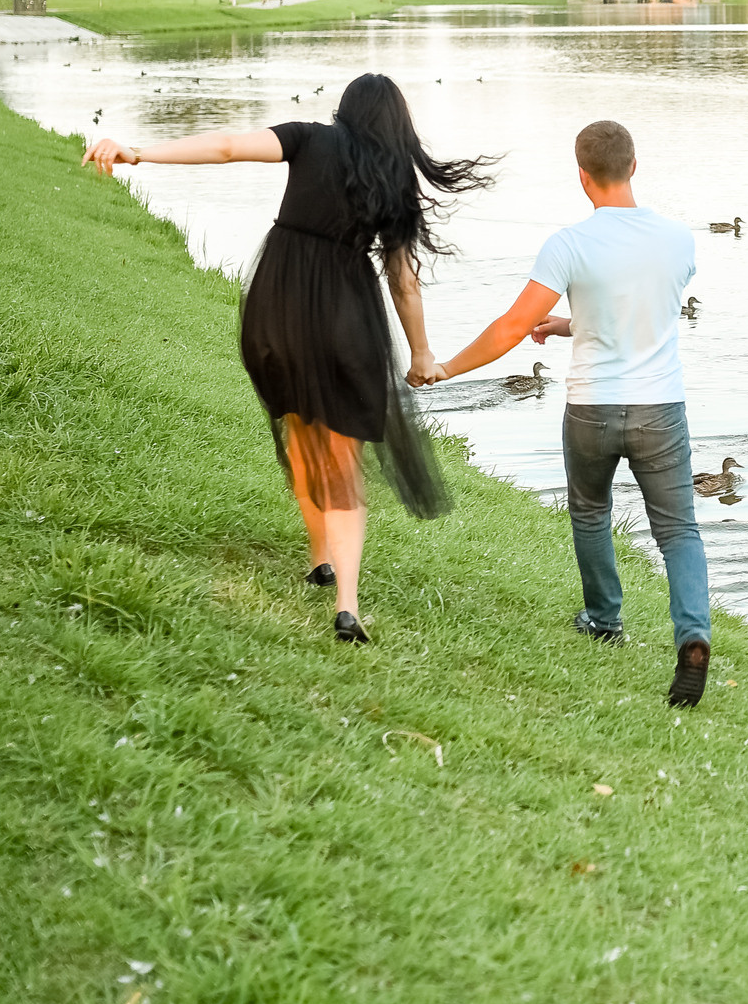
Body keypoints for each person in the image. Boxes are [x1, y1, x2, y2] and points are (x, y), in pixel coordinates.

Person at [82, 74, 492, 641]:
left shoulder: (308, 138)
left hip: (278, 308)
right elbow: (404, 283)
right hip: (348, 319)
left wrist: (140, 152)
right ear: (396, 122)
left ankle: (319, 557)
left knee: (299, 429)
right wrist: (422, 354)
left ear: (344, 112)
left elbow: (227, 147)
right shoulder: (393, 180)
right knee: (343, 460)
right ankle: (346, 605)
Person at [423, 119, 711, 705]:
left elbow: (511, 325)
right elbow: (641, 312)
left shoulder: (569, 244)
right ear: (635, 166)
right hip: (660, 408)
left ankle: (604, 620)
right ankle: (693, 636)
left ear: (583, 178)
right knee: (678, 531)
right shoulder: (679, 240)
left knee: (589, 512)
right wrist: (571, 324)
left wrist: (448, 368)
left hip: (592, 409)